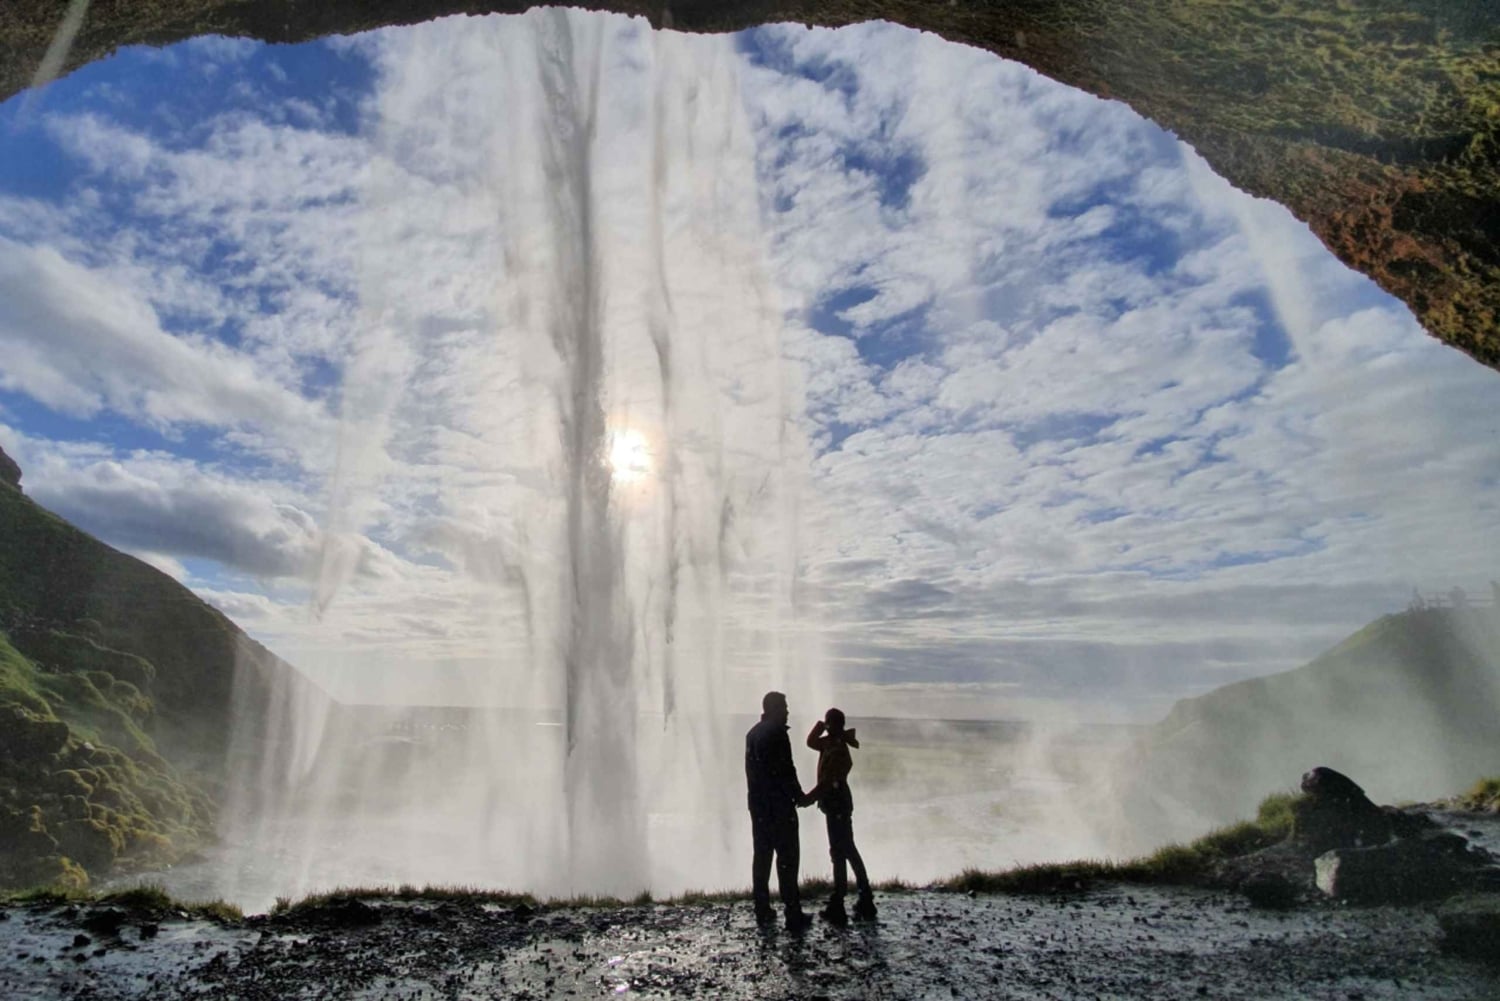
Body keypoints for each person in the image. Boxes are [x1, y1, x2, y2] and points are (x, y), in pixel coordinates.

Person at [745, 690, 815, 931]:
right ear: (774, 708)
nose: (787, 711)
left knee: (762, 856)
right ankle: (792, 912)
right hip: (779, 806)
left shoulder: (752, 733)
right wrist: (799, 796)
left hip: (758, 805)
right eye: (784, 707)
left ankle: (762, 908)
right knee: (787, 858)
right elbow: (787, 770)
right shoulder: (777, 734)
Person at [806, 708, 875, 924]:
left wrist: (809, 798)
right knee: (842, 850)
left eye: (828, 723)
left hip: (837, 805)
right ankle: (855, 897)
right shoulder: (831, 743)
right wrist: (821, 726)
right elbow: (810, 741)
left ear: (834, 725)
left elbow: (827, 781)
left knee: (843, 850)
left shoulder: (835, 747)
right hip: (835, 804)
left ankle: (847, 899)